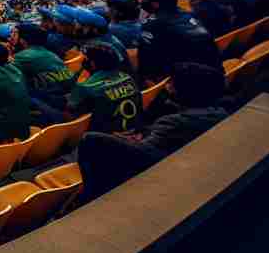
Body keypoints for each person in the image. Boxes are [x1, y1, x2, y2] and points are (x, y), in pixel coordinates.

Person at [77, 63, 229, 201]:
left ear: (185, 91)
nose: (167, 86)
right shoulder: (220, 114)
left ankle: (90, 198)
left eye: (172, 83)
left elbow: (146, 151)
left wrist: (130, 141)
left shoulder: (173, 123)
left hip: (157, 174)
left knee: (90, 140)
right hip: (182, 165)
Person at [136, 0, 221, 83]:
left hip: (188, 83)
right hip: (214, 73)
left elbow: (146, 66)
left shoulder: (152, 25)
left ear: (155, 4)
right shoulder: (190, 15)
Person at [67, 43, 141, 133]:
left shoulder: (85, 88)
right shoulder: (128, 78)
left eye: (84, 59)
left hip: (103, 138)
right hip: (133, 131)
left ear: (92, 64)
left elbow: (69, 118)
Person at [10, 24, 76, 123]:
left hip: (55, 109)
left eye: (14, 33)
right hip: (68, 101)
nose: (10, 36)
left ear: (23, 40)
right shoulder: (50, 53)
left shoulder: (22, 57)